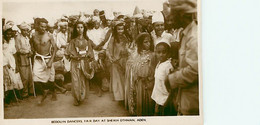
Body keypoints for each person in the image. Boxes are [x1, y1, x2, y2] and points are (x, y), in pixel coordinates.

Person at [166, 0, 199, 115]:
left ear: (182, 15)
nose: (170, 17)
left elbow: (195, 71)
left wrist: (171, 79)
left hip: (193, 104)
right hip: (186, 100)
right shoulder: (186, 34)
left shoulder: (194, 37)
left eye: (172, 13)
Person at [65, 21, 94, 106]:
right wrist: (74, 56)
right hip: (75, 63)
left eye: (81, 27)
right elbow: (67, 54)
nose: (80, 29)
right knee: (75, 80)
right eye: (78, 27)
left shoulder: (87, 41)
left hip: (84, 63)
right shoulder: (73, 41)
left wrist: (88, 57)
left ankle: (81, 96)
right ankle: (76, 98)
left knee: (83, 80)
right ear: (75, 29)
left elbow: (91, 53)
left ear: (84, 29)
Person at [30, 18, 57, 105]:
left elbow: (55, 48)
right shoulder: (33, 35)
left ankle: (53, 92)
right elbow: (32, 45)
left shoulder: (49, 35)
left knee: (51, 78)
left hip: (48, 58)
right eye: (41, 26)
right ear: (38, 26)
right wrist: (32, 50)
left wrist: (51, 61)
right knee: (35, 77)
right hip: (38, 59)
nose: (43, 28)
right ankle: (44, 92)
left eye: (45, 27)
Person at [130, 33, 156, 116]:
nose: (148, 44)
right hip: (139, 83)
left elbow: (154, 69)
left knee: (148, 101)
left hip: (149, 83)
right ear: (141, 43)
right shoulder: (137, 55)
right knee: (140, 101)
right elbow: (134, 69)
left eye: (149, 42)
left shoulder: (153, 55)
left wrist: (149, 79)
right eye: (145, 42)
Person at [106, 21, 129, 101]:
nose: (120, 31)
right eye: (118, 29)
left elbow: (128, 47)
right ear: (115, 30)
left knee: (124, 79)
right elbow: (108, 49)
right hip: (116, 61)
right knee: (117, 80)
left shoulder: (125, 37)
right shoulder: (113, 39)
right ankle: (119, 97)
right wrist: (111, 58)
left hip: (124, 60)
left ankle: (124, 96)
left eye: (122, 29)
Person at [151, 41, 176, 116]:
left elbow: (172, 87)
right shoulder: (159, 64)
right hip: (158, 99)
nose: (161, 55)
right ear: (155, 53)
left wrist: (167, 101)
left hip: (165, 101)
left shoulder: (168, 66)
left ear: (169, 53)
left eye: (164, 52)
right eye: (158, 52)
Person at [3, 27, 24, 104]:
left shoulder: (12, 40)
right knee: (8, 79)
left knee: (15, 78)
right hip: (4, 62)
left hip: (12, 61)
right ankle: (8, 98)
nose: (9, 35)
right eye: (7, 34)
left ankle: (16, 96)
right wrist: (5, 63)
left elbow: (14, 53)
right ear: (4, 34)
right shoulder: (2, 41)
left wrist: (17, 65)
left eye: (10, 34)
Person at [15, 22, 34, 98]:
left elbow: (29, 47)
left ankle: (31, 92)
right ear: (21, 30)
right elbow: (18, 50)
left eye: (27, 30)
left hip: (28, 59)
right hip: (22, 60)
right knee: (24, 77)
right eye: (24, 30)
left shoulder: (27, 37)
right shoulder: (18, 38)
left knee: (30, 76)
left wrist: (31, 52)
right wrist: (27, 52)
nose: (26, 32)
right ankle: (24, 93)